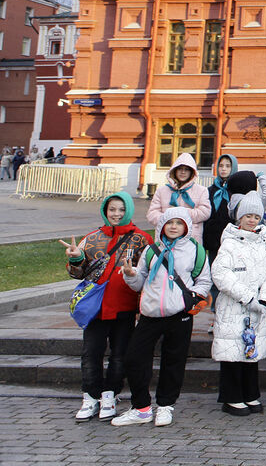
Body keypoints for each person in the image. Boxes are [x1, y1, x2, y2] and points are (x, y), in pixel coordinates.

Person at [112, 207, 213, 427]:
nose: (174, 227)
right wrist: (131, 275)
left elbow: (204, 280)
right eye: (170, 223)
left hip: (179, 313)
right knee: (134, 358)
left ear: (186, 226)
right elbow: (140, 281)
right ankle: (141, 407)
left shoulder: (196, 250)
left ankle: (166, 405)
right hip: (151, 313)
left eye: (179, 223)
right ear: (162, 226)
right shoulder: (151, 250)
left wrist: (193, 298)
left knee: (173, 361)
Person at [62, 191, 151, 421]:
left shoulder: (141, 239)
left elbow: (148, 275)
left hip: (125, 307)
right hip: (96, 308)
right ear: (105, 210)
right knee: (91, 353)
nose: (116, 214)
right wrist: (75, 259)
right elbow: (78, 273)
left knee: (119, 354)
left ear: (129, 211)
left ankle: (110, 394)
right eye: (112, 209)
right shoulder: (91, 238)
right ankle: (90, 396)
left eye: (121, 210)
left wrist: (143, 307)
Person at [210, 192, 266, 416]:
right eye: (247, 216)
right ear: (239, 218)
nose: (252, 221)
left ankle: (250, 394)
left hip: (257, 308)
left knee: (251, 351)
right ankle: (232, 397)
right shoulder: (229, 244)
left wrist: (264, 297)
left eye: (256, 217)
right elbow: (220, 274)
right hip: (234, 306)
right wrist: (247, 296)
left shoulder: (265, 245)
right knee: (232, 352)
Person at [146, 153, 211, 228]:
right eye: (180, 169)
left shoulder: (201, 191)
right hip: (166, 235)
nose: (183, 172)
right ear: (175, 170)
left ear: (192, 172)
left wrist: (181, 213)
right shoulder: (161, 191)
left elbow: (204, 213)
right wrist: (169, 219)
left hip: (191, 236)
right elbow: (152, 214)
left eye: (186, 169)